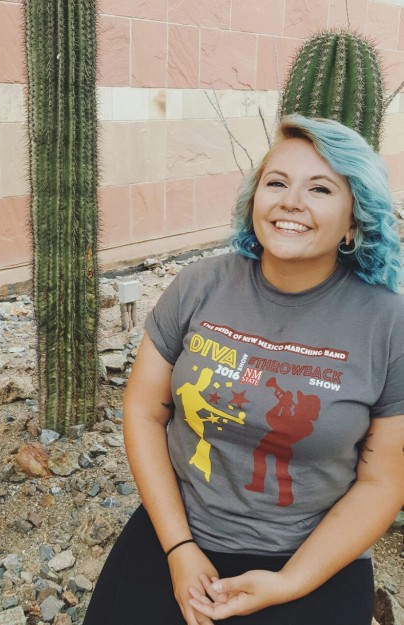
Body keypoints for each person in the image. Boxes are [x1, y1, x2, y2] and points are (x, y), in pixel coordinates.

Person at [83, 114, 404, 625]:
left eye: (319, 188)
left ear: (353, 220)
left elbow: (382, 482)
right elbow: (144, 409)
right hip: (181, 534)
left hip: (312, 558)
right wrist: (179, 549)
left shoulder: (388, 325)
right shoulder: (198, 286)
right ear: (254, 199)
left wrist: (290, 582)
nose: (290, 201)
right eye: (276, 183)